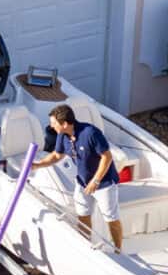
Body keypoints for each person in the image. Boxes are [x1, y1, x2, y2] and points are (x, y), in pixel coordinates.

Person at [31, 103, 123, 252]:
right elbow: (57, 155)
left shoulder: (91, 133)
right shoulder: (62, 135)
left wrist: (96, 181)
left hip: (104, 183)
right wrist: (38, 165)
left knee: (111, 218)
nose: (51, 127)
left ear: (65, 124)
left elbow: (107, 157)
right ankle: (86, 246)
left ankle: (118, 250)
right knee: (83, 215)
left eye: (54, 123)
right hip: (82, 183)